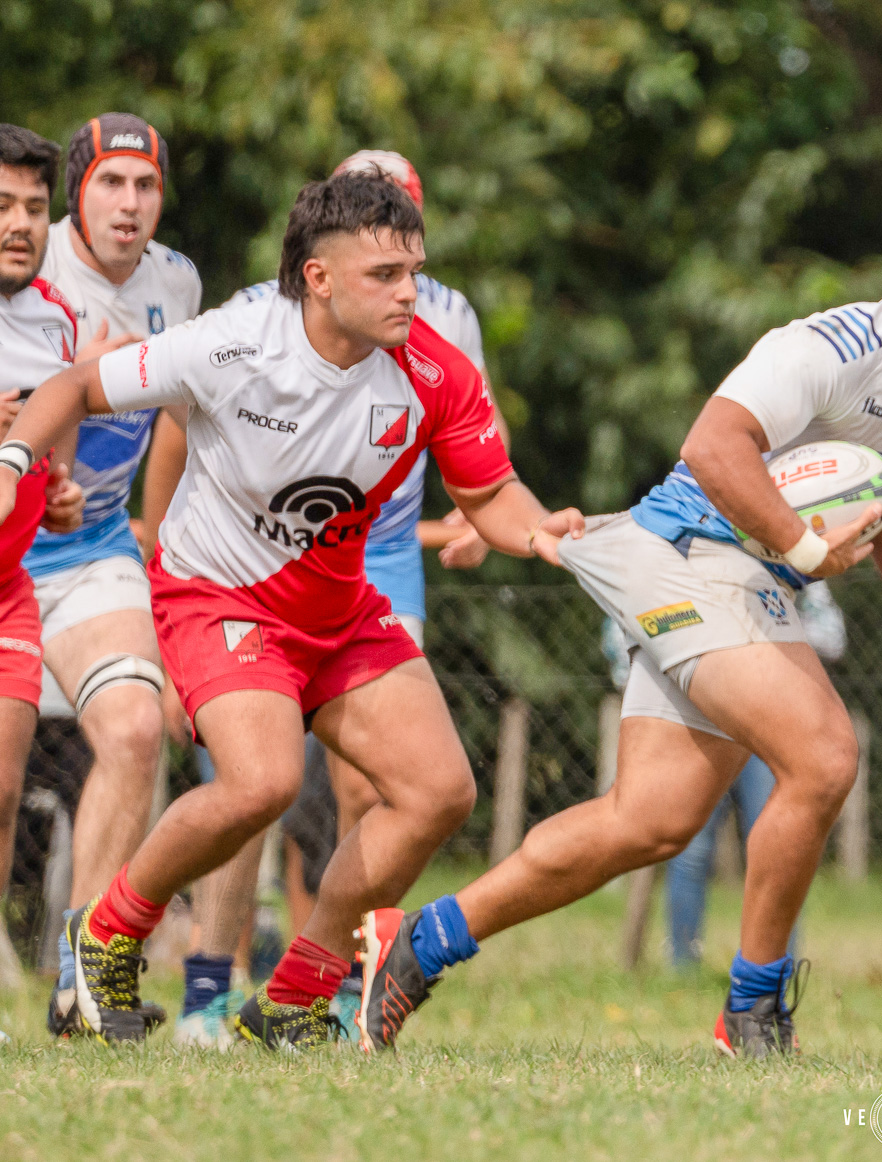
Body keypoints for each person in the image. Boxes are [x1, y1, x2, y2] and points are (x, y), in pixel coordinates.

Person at [350, 203, 882, 1059]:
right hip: (682, 554)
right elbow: (715, 446)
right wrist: (802, 545)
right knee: (824, 755)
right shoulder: (828, 349)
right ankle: (753, 1012)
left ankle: (419, 942)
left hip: (744, 583)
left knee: (647, 821)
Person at [0, 171, 584, 1048]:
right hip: (216, 596)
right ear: (318, 277)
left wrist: (541, 531)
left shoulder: (433, 368)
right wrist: (13, 461)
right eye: (384, 275)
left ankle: (295, 998)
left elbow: (490, 490)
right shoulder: (234, 344)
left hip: (337, 606)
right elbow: (75, 389)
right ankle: (104, 937)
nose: (408, 293)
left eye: (414, 271)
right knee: (264, 780)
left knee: (438, 792)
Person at [170, 149, 496, 1049]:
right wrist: (161, 558)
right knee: (248, 781)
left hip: (380, 559)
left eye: (411, 227)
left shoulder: (446, 317)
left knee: (386, 782)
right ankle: (207, 980)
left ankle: (338, 983)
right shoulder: (251, 320)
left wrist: (491, 513)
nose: (403, 270)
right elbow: (175, 420)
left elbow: (477, 428)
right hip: (248, 561)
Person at [29, 113, 204, 1041]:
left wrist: (155, 531)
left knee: (138, 728)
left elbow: (176, 412)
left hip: (92, 548)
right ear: (76, 194)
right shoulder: (27, 263)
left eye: (145, 186)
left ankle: (85, 984)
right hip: (9, 540)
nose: (129, 205)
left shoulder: (178, 283)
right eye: (110, 185)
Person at [0, 123, 112, 1039]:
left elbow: (55, 470)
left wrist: (60, 497)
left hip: (11, 590)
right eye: (2, 207)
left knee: (2, 789)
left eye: (35, 209)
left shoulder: (58, 321)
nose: (20, 224)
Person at [660, 582, 843, 966]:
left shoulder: (796, 564)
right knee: (690, 850)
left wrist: (765, 631)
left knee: (783, 848)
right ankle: (682, 964)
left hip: (773, 728)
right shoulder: (690, 556)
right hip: (703, 722)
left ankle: (774, 969)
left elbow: (833, 636)